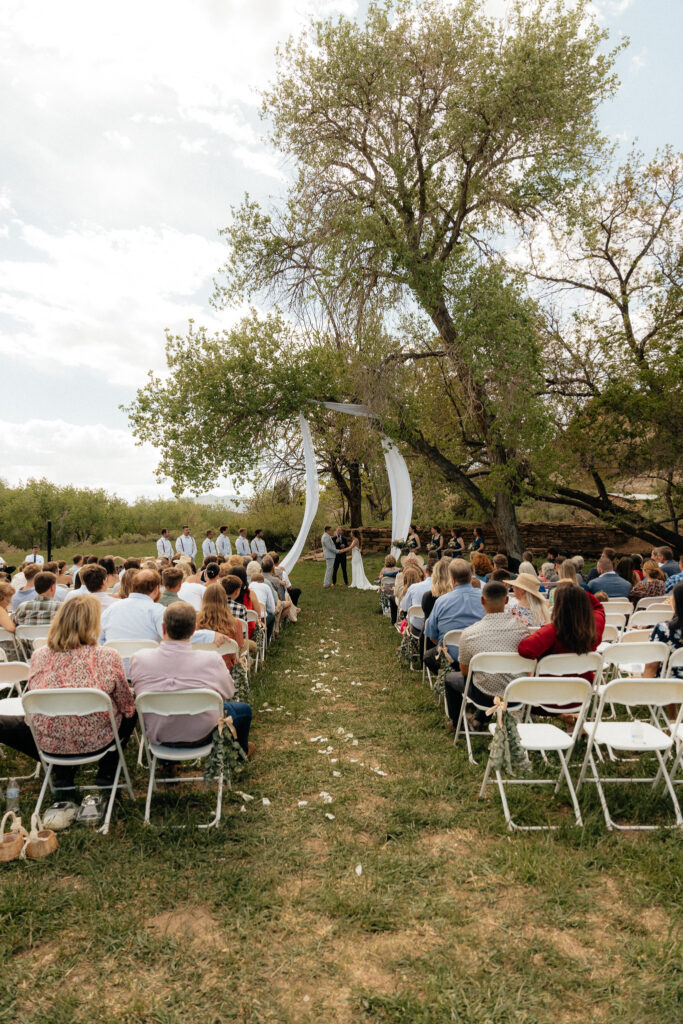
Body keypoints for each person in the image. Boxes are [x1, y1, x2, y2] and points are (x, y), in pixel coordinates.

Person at [0, 595, 137, 791]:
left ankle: (64, 773)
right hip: (97, 740)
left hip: (48, 741)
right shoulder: (108, 656)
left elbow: (33, 698)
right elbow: (126, 705)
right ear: (93, 623)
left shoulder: (40, 655)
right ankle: (107, 772)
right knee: (132, 707)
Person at [130, 602, 253, 757]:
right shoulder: (211, 660)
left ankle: (168, 764)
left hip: (159, 735)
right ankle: (241, 752)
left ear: (163, 628)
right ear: (194, 630)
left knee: (164, 711)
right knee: (244, 710)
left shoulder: (140, 659)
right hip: (203, 736)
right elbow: (229, 692)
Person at [443, 581, 530, 729]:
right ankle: (479, 720)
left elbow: (464, 671)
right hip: (516, 694)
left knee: (451, 678)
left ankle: (458, 723)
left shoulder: (470, 634)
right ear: (507, 600)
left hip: (484, 696)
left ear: (482, 601)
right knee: (490, 677)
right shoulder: (522, 631)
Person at [518, 584, 605, 679]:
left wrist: (570, 591)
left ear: (559, 606)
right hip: (581, 687)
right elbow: (598, 607)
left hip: (548, 686)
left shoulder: (551, 631)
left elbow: (524, 649)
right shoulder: (594, 629)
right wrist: (577, 592)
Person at [423, 559, 485, 672]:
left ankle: (448, 678)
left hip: (450, 658)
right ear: (471, 576)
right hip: (479, 655)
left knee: (428, 656)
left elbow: (431, 635)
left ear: (452, 579)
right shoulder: (485, 598)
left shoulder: (441, 601)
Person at [196, 583, 244, 670]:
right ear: (224, 600)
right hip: (226, 670)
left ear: (204, 599)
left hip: (201, 668)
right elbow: (239, 648)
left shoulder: (196, 621)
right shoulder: (235, 623)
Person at [644, 583, 683, 680]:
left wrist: (643, 691)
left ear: (676, 602)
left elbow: (651, 666)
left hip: (667, 687)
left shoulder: (664, 629)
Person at [400, 562, 432, 630]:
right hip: (433, 626)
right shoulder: (443, 589)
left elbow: (404, 607)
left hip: (416, 626)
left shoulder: (413, 588)